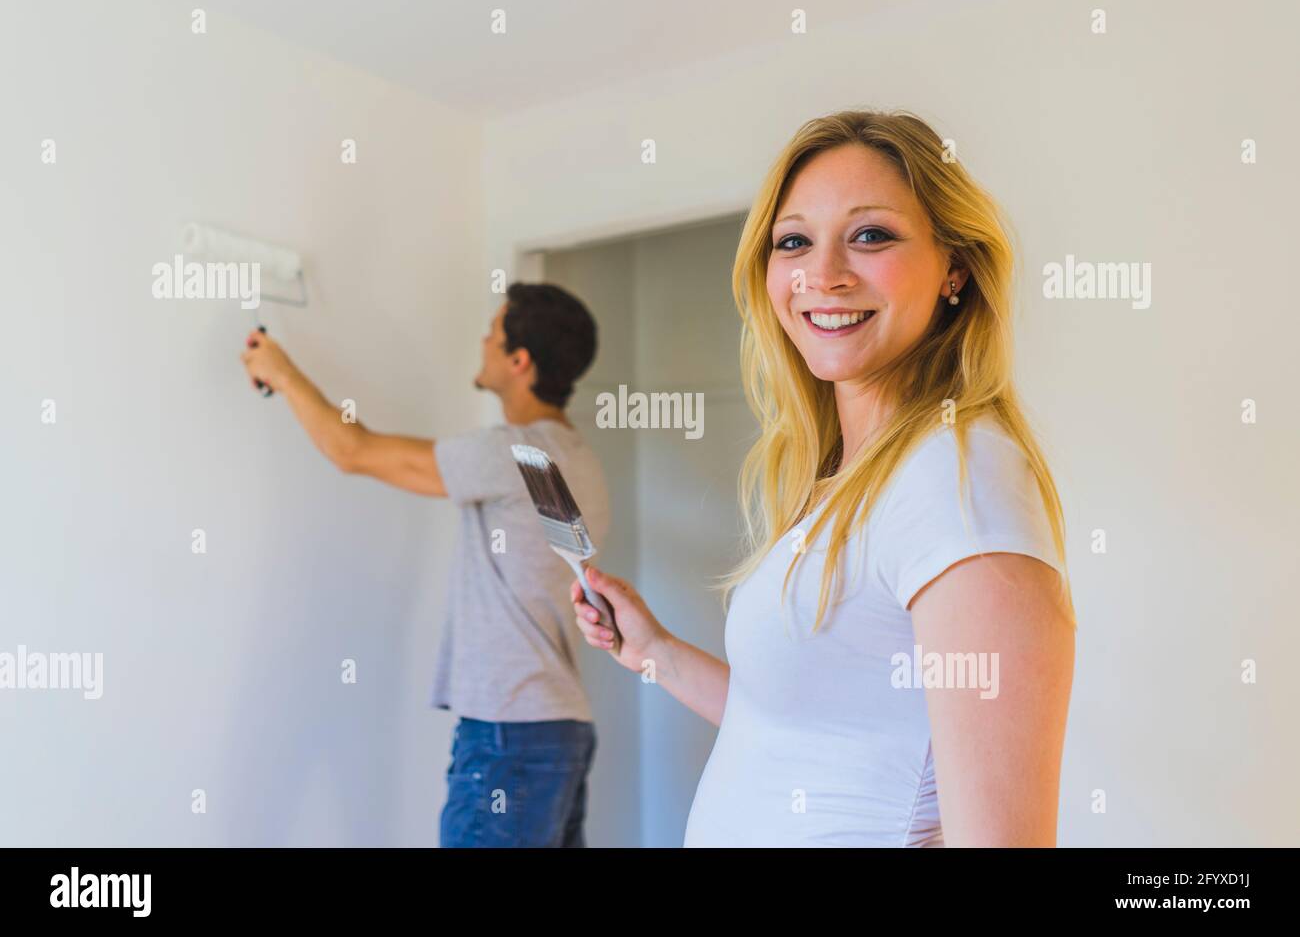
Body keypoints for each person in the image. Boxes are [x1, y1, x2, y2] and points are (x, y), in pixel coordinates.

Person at [570, 109, 1077, 847]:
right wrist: (656, 654)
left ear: (955, 268)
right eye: (794, 241)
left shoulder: (958, 480)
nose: (824, 275)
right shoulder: (851, 478)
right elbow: (802, 730)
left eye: (871, 235)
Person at [240, 281, 609, 848]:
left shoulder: (511, 453)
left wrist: (284, 373)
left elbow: (353, 451)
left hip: (508, 733)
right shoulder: (575, 457)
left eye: (492, 333)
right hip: (560, 728)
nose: (481, 341)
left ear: (519, 360)